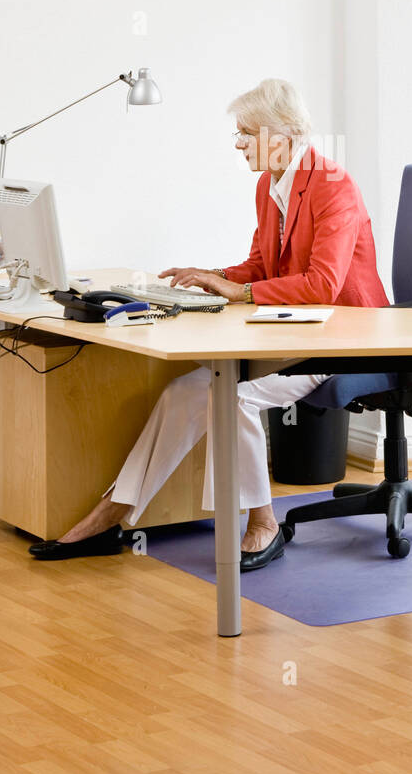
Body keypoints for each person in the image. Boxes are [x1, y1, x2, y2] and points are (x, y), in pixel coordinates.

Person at [29, 78, 388, 570]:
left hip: (341, 337)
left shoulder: (333, 186)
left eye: (246, 133)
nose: (238, 143)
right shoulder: (270, 186)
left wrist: (238, 292)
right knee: (186, 390)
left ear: (281, 136)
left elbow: (323, 284)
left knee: (230, 397)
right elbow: (262, 267)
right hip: (291, 330)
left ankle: (262, 522)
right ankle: (114, 513)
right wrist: (211, 276)